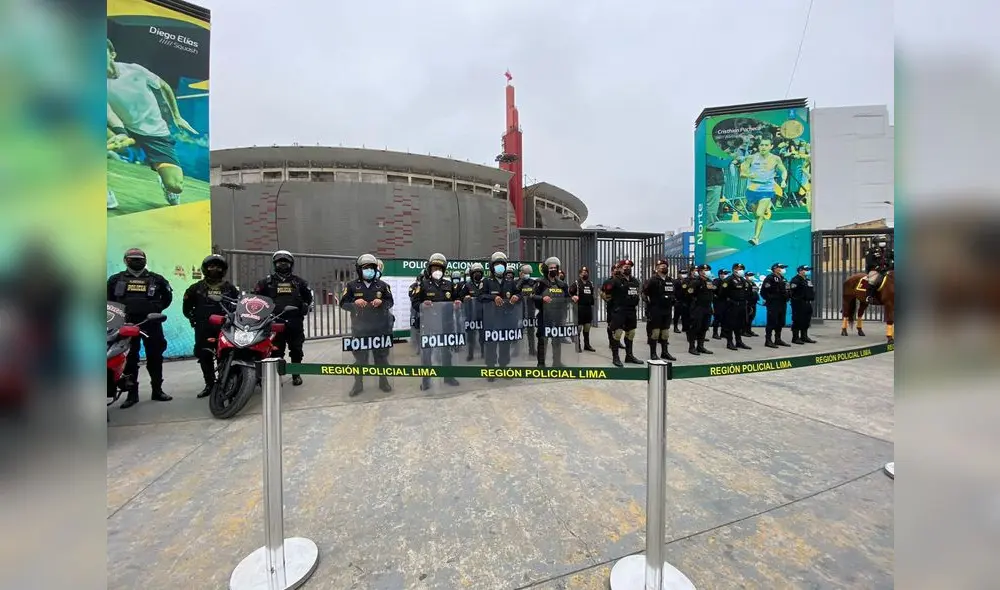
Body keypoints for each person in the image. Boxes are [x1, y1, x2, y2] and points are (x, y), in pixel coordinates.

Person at [106, 39, 198, 207]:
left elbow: (163, 86)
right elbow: (108, 112)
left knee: (176, 186)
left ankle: (166, 184)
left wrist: (176, 116)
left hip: (154, 133)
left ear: (112, 55)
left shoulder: (136, 71)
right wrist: (121, 132)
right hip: (122, 128)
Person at [107, 248, 173, 408]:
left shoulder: (157, 279)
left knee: (155, 357)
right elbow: (108, 300)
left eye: (139, 258)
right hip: (126, 324)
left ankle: (157, 390)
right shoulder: (115, 280)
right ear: (125, 260)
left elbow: (167, 297)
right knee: (129, 359)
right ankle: (132, 394)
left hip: (151, 323)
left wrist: (155, 309)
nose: (136, 261)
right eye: (132, 258)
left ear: (145, 260)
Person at [182, 254, 240, 398]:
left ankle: (224, 382)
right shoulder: (195, 288)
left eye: (218, 267)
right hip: (203, 327)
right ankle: (209, 384)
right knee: (204, 355)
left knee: (226, 355)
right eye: (211, 266)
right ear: (205, 268)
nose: (215, 269)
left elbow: (238, 306)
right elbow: (187, 308)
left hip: (225, 327)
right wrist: (193, 318)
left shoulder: (230, 289)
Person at [253, 250, 313, 386]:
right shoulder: (265, 282)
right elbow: (255, 299)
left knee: (296, 350)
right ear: (275, 264)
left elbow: (308, 299)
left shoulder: (299, 282)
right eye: (280, 262)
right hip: (274, 323)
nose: (283, 264)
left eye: (286, 262)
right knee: (276, 351)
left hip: (294, 322)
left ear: (291, 264)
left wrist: (305, 306)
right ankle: (275, 376)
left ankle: (296, 375)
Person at [339, 253, 394, 396]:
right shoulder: (351, 286)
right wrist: (354, 303)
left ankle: (383, 381)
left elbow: (390, 302)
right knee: (360, 359)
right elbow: (343, 303)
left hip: (379, 327)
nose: (369, 270)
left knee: (381, 357)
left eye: (372, 268)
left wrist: (382, 302)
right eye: (366, 268)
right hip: (360, 328)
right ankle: (358, 384)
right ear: (359, 270)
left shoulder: (382, 286)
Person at [410, 253, 462, 390]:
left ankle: (448, 377)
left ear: (443, 270)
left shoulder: (450, 285)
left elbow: (457, 299)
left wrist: (457, 302)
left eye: (439, 268)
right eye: (434, 268)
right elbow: (415, 302)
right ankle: (426, 381)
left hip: (446, 324)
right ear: (430, 269)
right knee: (426, 355)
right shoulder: (423, 285)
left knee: (446, 353)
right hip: (429, 325)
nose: (437, 271)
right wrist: (422, 304)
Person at [740, 136, 788, 246]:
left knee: (759, 213)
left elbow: (783, 170)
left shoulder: (776, 158)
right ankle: (766, 208)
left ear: (771, 146)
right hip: (752, 189)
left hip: (767, 189)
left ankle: (755, 238)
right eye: (761, 145)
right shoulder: (750, 158)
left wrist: (783, 180)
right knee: (756, 214)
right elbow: (742, 174)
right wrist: (748, 175)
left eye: (766, 145)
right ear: (758, 146)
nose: (763, 147)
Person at [479, 252, 519, 379]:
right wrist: (493, 297)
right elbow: (481, 296)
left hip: (506, 319)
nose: (500, 266)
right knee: (491, 345)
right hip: (491, 319)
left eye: (502, 264)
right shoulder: (486, 281)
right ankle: (491, 370)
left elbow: (520, 295)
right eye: (497, 264)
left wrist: (516, 296)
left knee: (504, 345)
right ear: (492, 266)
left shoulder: (510, 282)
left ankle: (503, 367)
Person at [603, 259, 643, 366]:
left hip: (631, 311)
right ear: (620, 268)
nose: (627, 268)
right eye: (624, 266)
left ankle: (629, 356)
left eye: (629, 266)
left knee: (631, 333)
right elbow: (606, 293)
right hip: (619, 310)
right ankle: (615, 357)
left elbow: (637, 293)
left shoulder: (635, 281)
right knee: (618, 333)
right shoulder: (615, 281)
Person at [533, 256, 571, 367]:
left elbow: (568, 296)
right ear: (546, 269)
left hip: (558, 316)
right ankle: (541, 363)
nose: (553, 270)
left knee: (557, 339)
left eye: (555, 268)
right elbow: (532, 296)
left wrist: (572, 298)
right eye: (550, 268)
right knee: (542, 339)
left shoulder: (562, 284)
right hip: (544, 316)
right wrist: (542, 298)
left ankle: (557, 362)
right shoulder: (541, 282)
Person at [641, 259, 677, 361]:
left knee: (665, 333)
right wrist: (649, 304)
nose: (663, 267)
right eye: (661, 266)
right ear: (656, 268)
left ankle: (664, 352)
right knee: (655, 333)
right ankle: (653, 354)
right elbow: (644, 293)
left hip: (667, 310)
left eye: (665, 266)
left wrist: (673, 300)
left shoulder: (670, 280)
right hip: (656, 310)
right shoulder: (652, 280)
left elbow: (674, 293)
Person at [719, 263, 752, 351]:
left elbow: (747, 291)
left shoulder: (743, 280)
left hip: (741, 305)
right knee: (731, 324)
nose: (740, 270)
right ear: (734, 270)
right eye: (738, 268)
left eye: (741, 268)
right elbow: (722, 293)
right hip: (732, 306)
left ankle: (739, 341)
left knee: (739, 324)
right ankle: (729, 342)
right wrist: (729, 301)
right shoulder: (728, 280)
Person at [760, 263, 791, 348]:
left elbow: (787, 290)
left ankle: (778, 339)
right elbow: (763, 292)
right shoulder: (770, 278)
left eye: (783, 268)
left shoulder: (783, 279)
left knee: (780, 322)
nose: (782, 269)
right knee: (772, 322)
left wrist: (788, 296)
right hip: (773, 304)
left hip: (782, 303)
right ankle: (768, 340)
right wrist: (771, 299)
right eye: (781, 267)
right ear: (775, 269)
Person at [685, 264, 715, 355]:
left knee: (704, 327)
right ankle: (692, 347)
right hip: (698, 307)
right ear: (700, 272)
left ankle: (700, 346)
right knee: (695, 327)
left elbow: (710, 294)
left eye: (708, 270)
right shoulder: (696, 282)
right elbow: (688, 294)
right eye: (704, 270)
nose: (707, 272)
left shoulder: (709, 281)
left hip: (707, 307)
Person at [459, 263, 486, 360]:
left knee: (482, 335)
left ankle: (483, 352)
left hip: (482, 314)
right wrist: (464, 297)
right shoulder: (467, 285)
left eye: (479, 272)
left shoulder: (485, 284)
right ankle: (470, 354)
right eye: (475, 272)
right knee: (470, 335)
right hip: (470, 314)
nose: (477, 274)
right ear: (472, 274)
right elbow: (460, 296)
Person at [568, 266, 597, 352]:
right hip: (579, 308)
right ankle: (578, 345)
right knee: (579, 327)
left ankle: (587, 345)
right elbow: (569, 293)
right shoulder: (576, 284)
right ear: (580, 274)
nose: (585, 274)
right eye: (583, 272)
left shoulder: (590, 284)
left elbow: (592, 294)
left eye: (586, 272)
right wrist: (573, 297)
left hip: (588, 308)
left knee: (587, 326)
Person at [789, 265, 817, 344]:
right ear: (800, 271)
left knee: (806, 320)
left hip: (807, 303)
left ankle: (804, 336)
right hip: (799, 303)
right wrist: (797, 300)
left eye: (808, 269)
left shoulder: (807, 280)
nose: (808, 271)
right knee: (797, 320)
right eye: (806, 269)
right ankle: (795, 338)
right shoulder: (795, 280)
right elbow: (792, 292)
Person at [515, 264, 538, 356]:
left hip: (530, 310)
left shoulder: (533, 282)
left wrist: (534, 296)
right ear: (521, 273)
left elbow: (537, 293)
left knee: (531, 331)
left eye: (528, 273)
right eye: (525, 273)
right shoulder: (517, 282)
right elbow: (516, 290)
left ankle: (532, 349)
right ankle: (516, 351)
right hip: (519, 310)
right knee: (517, 330)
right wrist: (521, 280)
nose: (526, 274)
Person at [601, 262, 624, 353]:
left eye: (618, 270)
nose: (616, 271)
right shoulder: (608, 281)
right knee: (610, 325)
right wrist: (607, 299)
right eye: (615, 270)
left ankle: (617, 342)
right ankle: (611, 342)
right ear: (611, 272)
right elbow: (602, 292)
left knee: (619, 326)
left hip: (621, 307)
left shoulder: (623, 281)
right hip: (611, 307)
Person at [864, 236, 894, 303]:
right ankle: (869, 296)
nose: (883, 243)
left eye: (884, 241)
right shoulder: (870, 251)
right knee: (873, 280)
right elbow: (869, 261)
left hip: (888, 269)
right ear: (876, 242)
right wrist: (878, 268)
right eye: (881, 241)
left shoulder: (889, 250)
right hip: (875, 270)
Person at [711, 268, 729, 340]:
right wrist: (715, 296)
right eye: (724, 274)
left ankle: (723, 333)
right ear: (720, 275)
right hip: (718, 302)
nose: (725, 275)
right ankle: (715, 333)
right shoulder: (717, 281)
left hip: (726, 302)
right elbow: (713, 290)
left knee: (725, 318)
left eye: (726, 274)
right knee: (718, 318)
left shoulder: (727, 281)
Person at [673, 266, 692, 334]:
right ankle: (675, 327)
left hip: (685, 300)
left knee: (685, 315)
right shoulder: (676, 281)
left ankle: (685, 327)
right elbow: (674, 291)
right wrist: (674, 299)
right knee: (677, 315)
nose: (684, 275)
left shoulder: (688, 281)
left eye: (685, 273)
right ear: (679, 274)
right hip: (678, 300)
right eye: (682, 273)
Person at [743, 271, 760, 337]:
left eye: (752, 275)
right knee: (745, 318)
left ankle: (749, 330)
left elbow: (755, 292)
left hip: (753, 302)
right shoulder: (745, 283)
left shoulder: (753, 283)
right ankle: (743, 331)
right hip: (747, 303)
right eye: (750, 275)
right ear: (746, 276)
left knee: (751, 317)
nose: (751, 276)